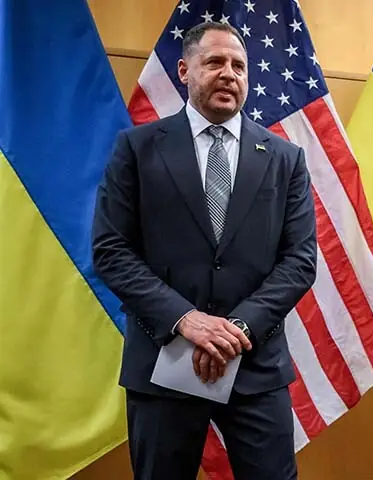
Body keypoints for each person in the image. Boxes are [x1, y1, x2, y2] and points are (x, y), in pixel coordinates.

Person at [91, 22, 316, 480]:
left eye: (239, 65)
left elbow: (300, 261)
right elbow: (111, 249)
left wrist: (235, 328)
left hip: (255, 366)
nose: (229, 73)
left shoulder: (285, 158)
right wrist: (185, 321)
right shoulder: (137, 149)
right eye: (214, 61)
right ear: (184, 70)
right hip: (164, 363)